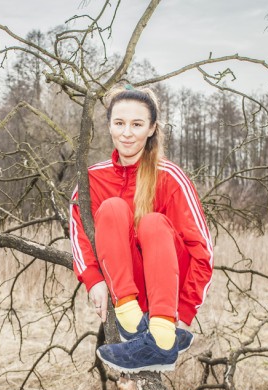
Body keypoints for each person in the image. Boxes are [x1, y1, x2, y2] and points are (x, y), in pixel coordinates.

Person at [69, 84, 213, 373]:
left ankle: (161, 335)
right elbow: (79, 234)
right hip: (126, 292)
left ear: (151, 128)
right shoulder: (92, 179)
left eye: (137, 124)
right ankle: (133, 324)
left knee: (152, 222)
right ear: (109, 125)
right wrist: (94, 280)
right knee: (111, 209)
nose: (127, 132)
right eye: (119, 123)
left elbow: (202, 253)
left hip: (166, 291)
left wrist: (182, 315)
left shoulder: (170, 177)